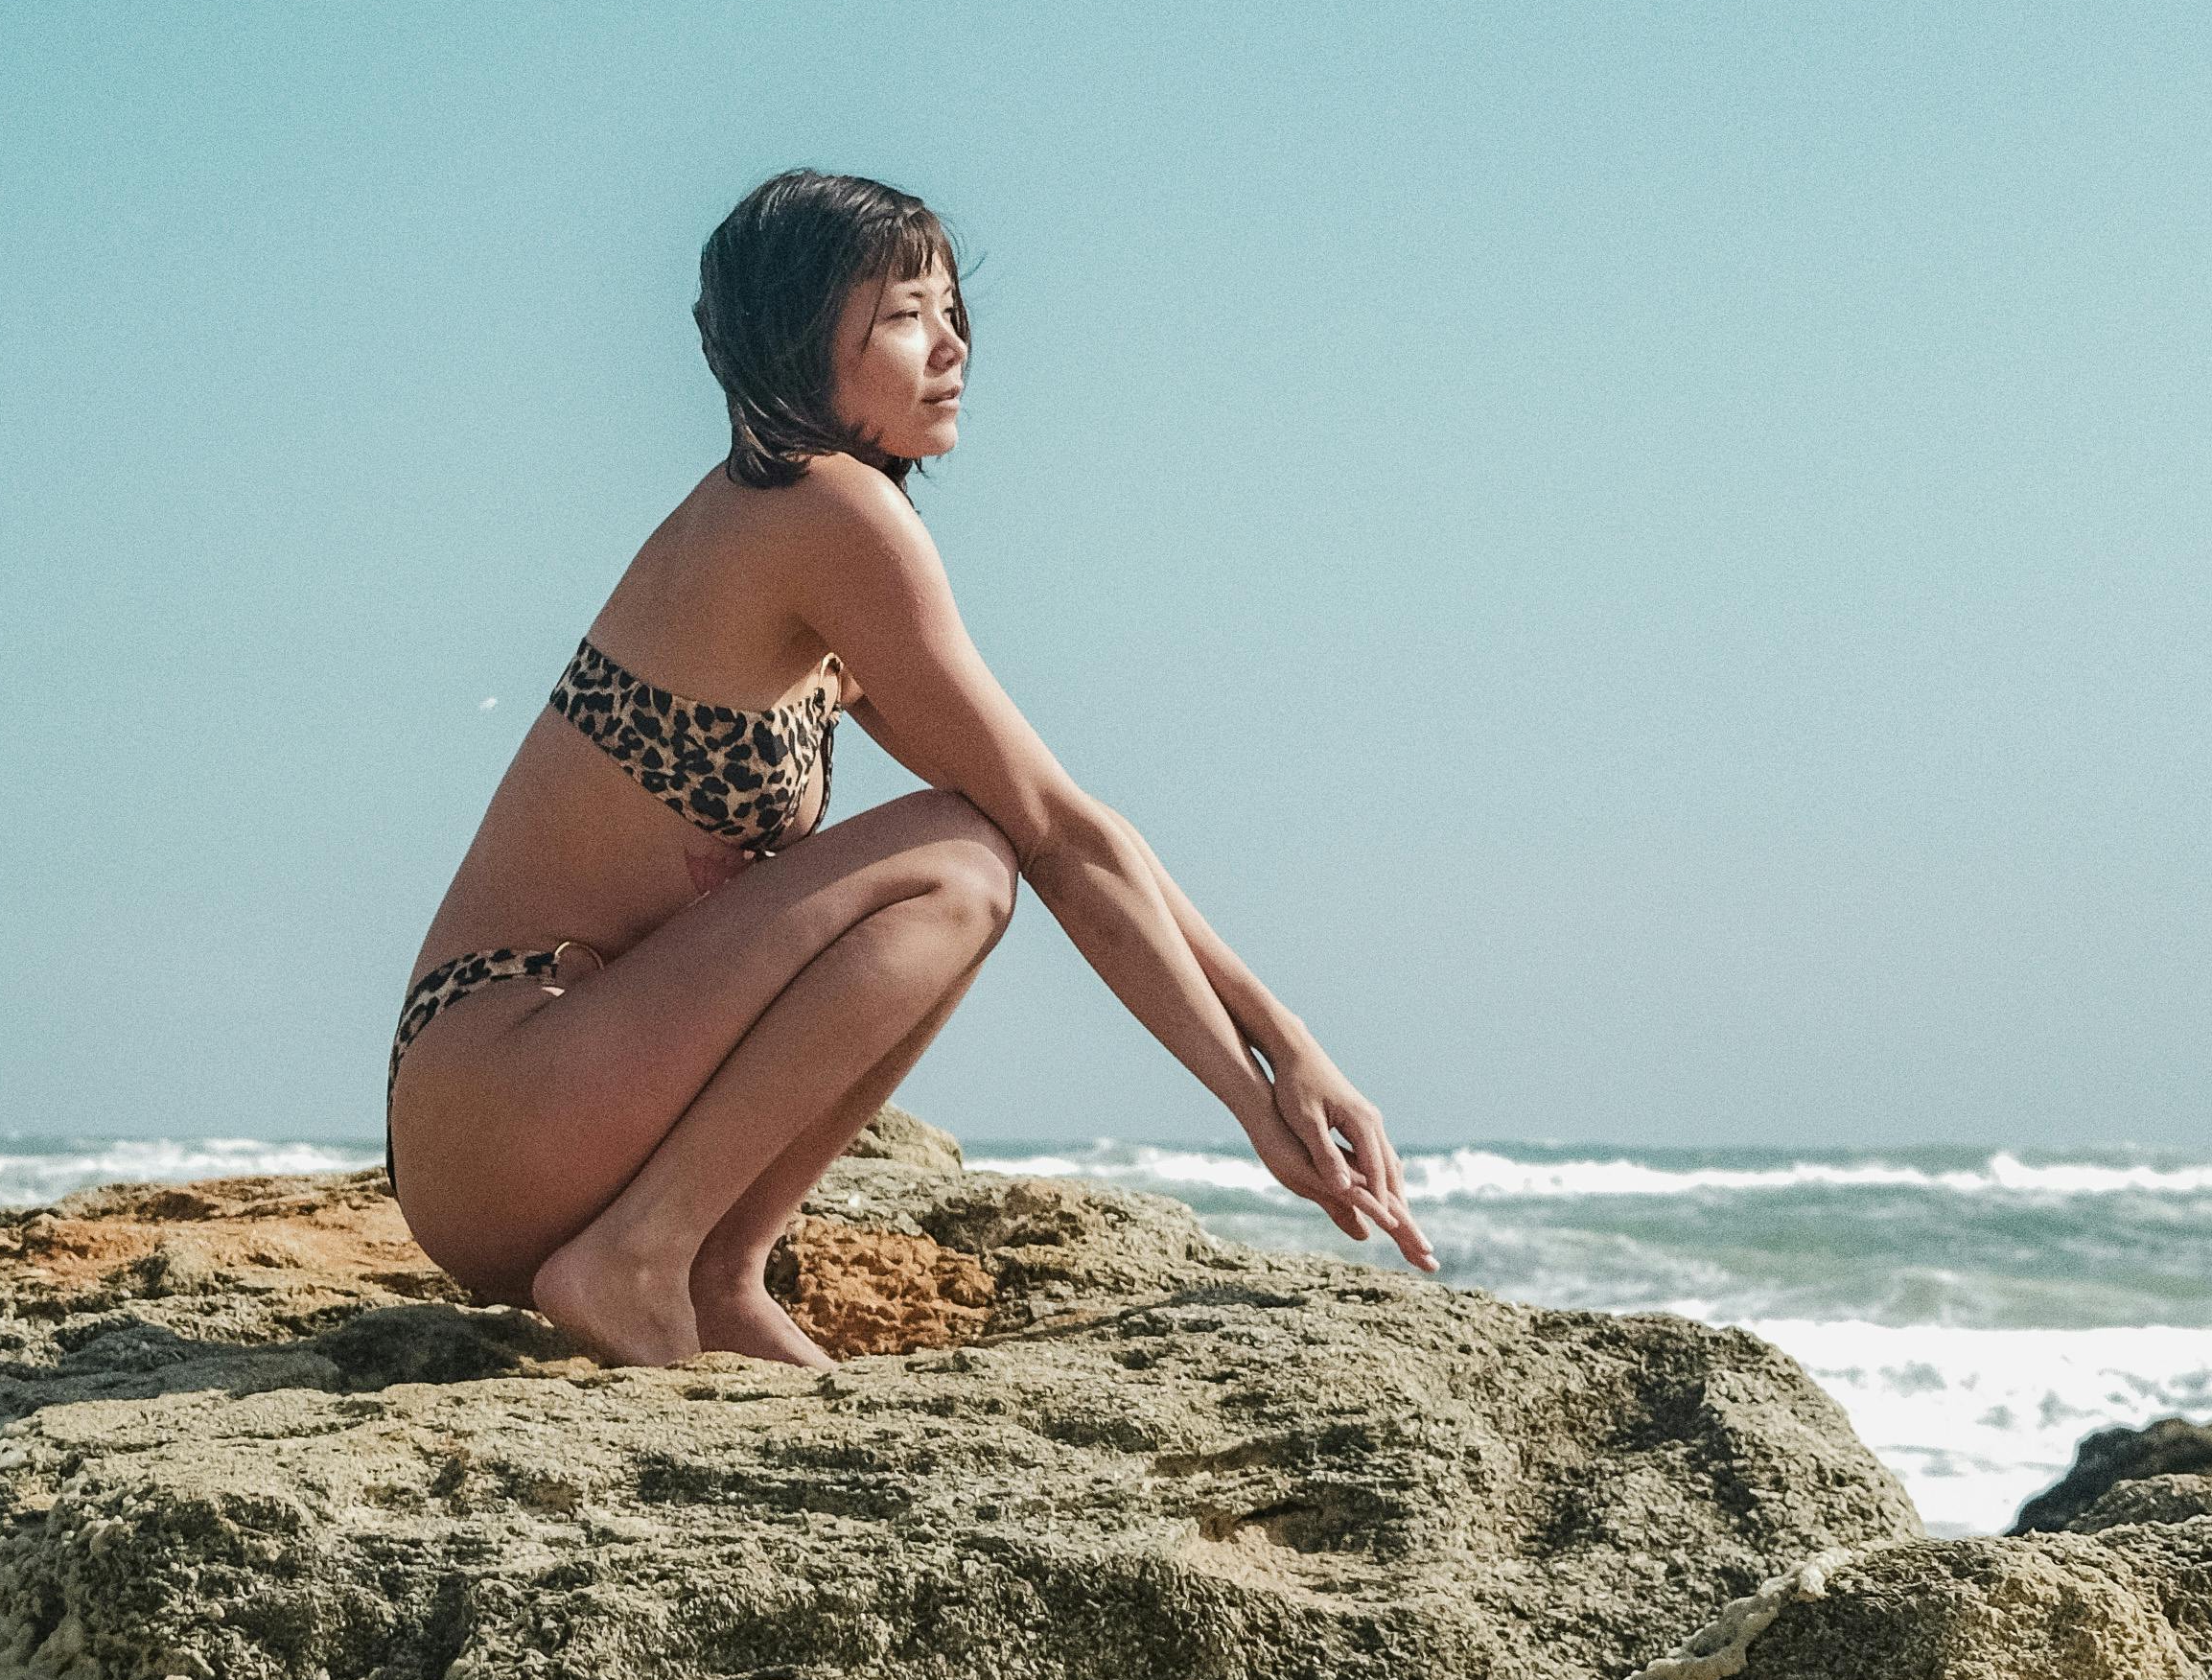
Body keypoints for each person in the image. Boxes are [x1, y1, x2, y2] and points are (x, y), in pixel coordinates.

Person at [385, 165, 1437, 1365]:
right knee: (960, 862)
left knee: (972, 842)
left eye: (949, 309)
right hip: (516, 1080)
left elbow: (1077, 822)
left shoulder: (788, 527)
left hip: (522, 1109)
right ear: (793, 340)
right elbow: (1043, 834)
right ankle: (639, 1256)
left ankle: (715, 1271)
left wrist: (1282, 1038)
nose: (950, 349)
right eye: (901, 317)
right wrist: (1256, 1101)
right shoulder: (823, 511)